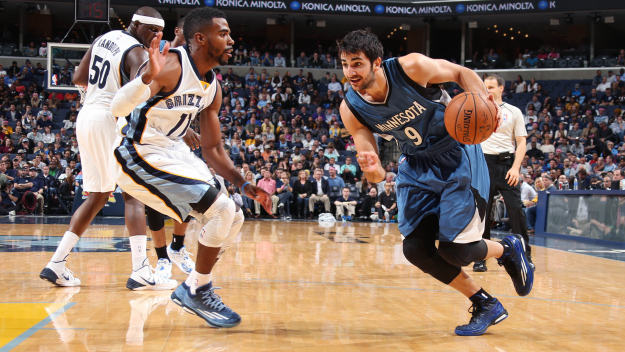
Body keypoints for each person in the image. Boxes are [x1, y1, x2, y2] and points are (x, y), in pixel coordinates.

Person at [337, 29, 533, 336]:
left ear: (376, 63)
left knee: (457, 252)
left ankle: (507, 248)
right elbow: (374, 175)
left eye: (357, 63)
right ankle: (485, 304)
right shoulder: (351, 109)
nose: (350, 72)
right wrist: (372, 167)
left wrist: (483, 99)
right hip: (416, 164)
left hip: (456, 154)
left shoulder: (410, 67)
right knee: (415, 249)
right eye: (345, 64)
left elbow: (460, 72)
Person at [110, 8, 271, 328]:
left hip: (172, 151)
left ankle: (196, 281)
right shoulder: (169, 65)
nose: (231, 39)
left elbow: (212, 148)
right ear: (200, 38)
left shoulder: (212, 85)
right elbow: (118, 107)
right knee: (221, 210)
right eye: (223, 33)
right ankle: (196, 287)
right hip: (137, 151)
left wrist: (241, 182)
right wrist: (145, 77)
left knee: (235, 211)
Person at [39, 7, 174, 289]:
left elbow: (78, 77)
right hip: (107, 118)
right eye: (152, 30)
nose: (156, 36)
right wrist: (152, 72)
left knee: (98, 196)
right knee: (134, 194)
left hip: (86, 116)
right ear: (136, 24)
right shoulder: (136, 51)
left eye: (160, 32)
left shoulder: (105, 37)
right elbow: (145, 81)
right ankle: (140, 270)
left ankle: (57, 264)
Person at [474, 74, 533, 272]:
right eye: (485, 87)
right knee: (482, 212)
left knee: (516, 209)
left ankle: (524, 255)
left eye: (491, 87)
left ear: (501, 88)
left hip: (507, 163)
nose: (487, 90)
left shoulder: (514, 111)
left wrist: (516, 167)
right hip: (483, 164)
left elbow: (522, 142)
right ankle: (480, 256)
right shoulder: (476, 109)